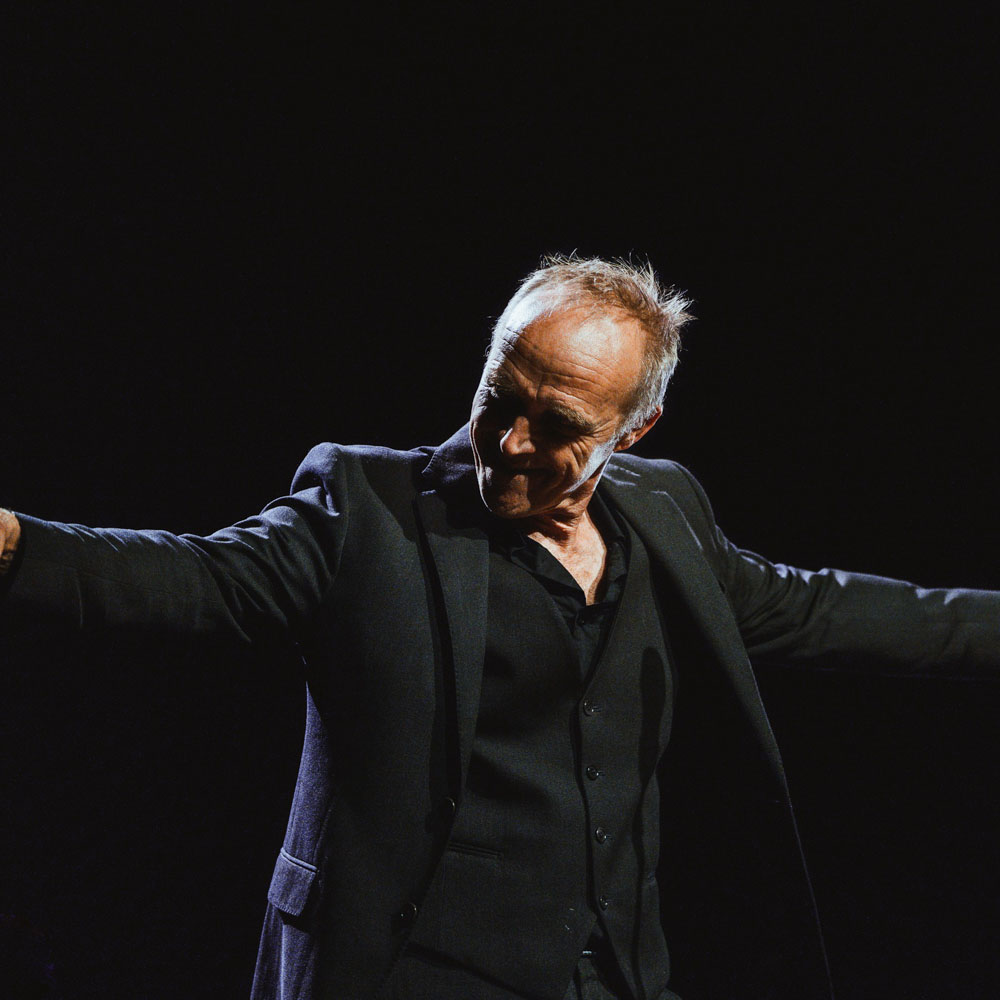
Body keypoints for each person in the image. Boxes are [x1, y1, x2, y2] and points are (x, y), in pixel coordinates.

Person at [2, 255, 998, 1000]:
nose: (512, 444)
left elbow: (831, 606)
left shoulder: (666, 516)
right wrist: (12, 542)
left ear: (632, 428)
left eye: (558, 424)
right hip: (417, 971)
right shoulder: (366, 510)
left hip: (615, 977)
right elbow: (191, 578)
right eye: (497, 401)